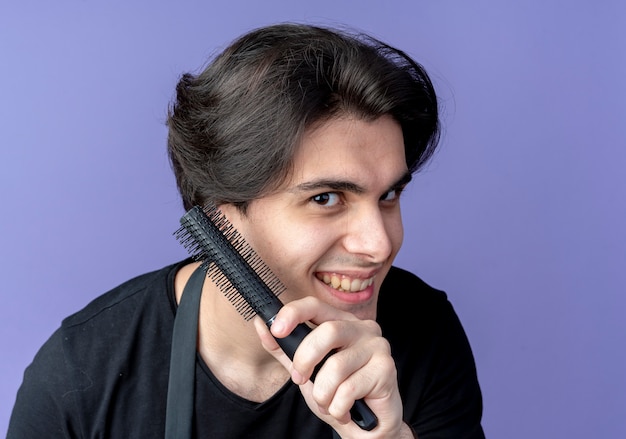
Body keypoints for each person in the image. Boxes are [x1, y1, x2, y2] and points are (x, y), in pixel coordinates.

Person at [8, 23, 485, 438]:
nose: (379, 244)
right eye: (325, 199)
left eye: (388, 195)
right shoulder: (80, 373)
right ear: (220, 215)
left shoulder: (425, 334)